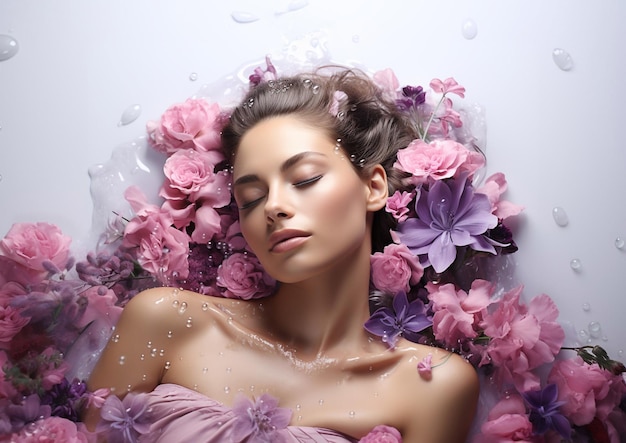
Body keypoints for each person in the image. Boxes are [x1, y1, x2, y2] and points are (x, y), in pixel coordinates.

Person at [83, 67, 479, 442]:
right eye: (251, 198)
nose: (273, 206)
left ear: (373, 187)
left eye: (305, 179)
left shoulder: (432, 385)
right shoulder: (166, 322)